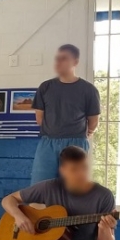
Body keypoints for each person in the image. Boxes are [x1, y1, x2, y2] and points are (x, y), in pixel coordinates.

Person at [31, 44, 100, 184]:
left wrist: (80, 135)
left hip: (76, 143)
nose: (58, 62)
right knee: (40, 186)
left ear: (75, 61)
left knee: (74, 187)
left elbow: (93, 121)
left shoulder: (88, 90)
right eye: (57, 58)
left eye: (64, 58)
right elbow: (39, 119)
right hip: (48, 143)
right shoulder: (45, 87)